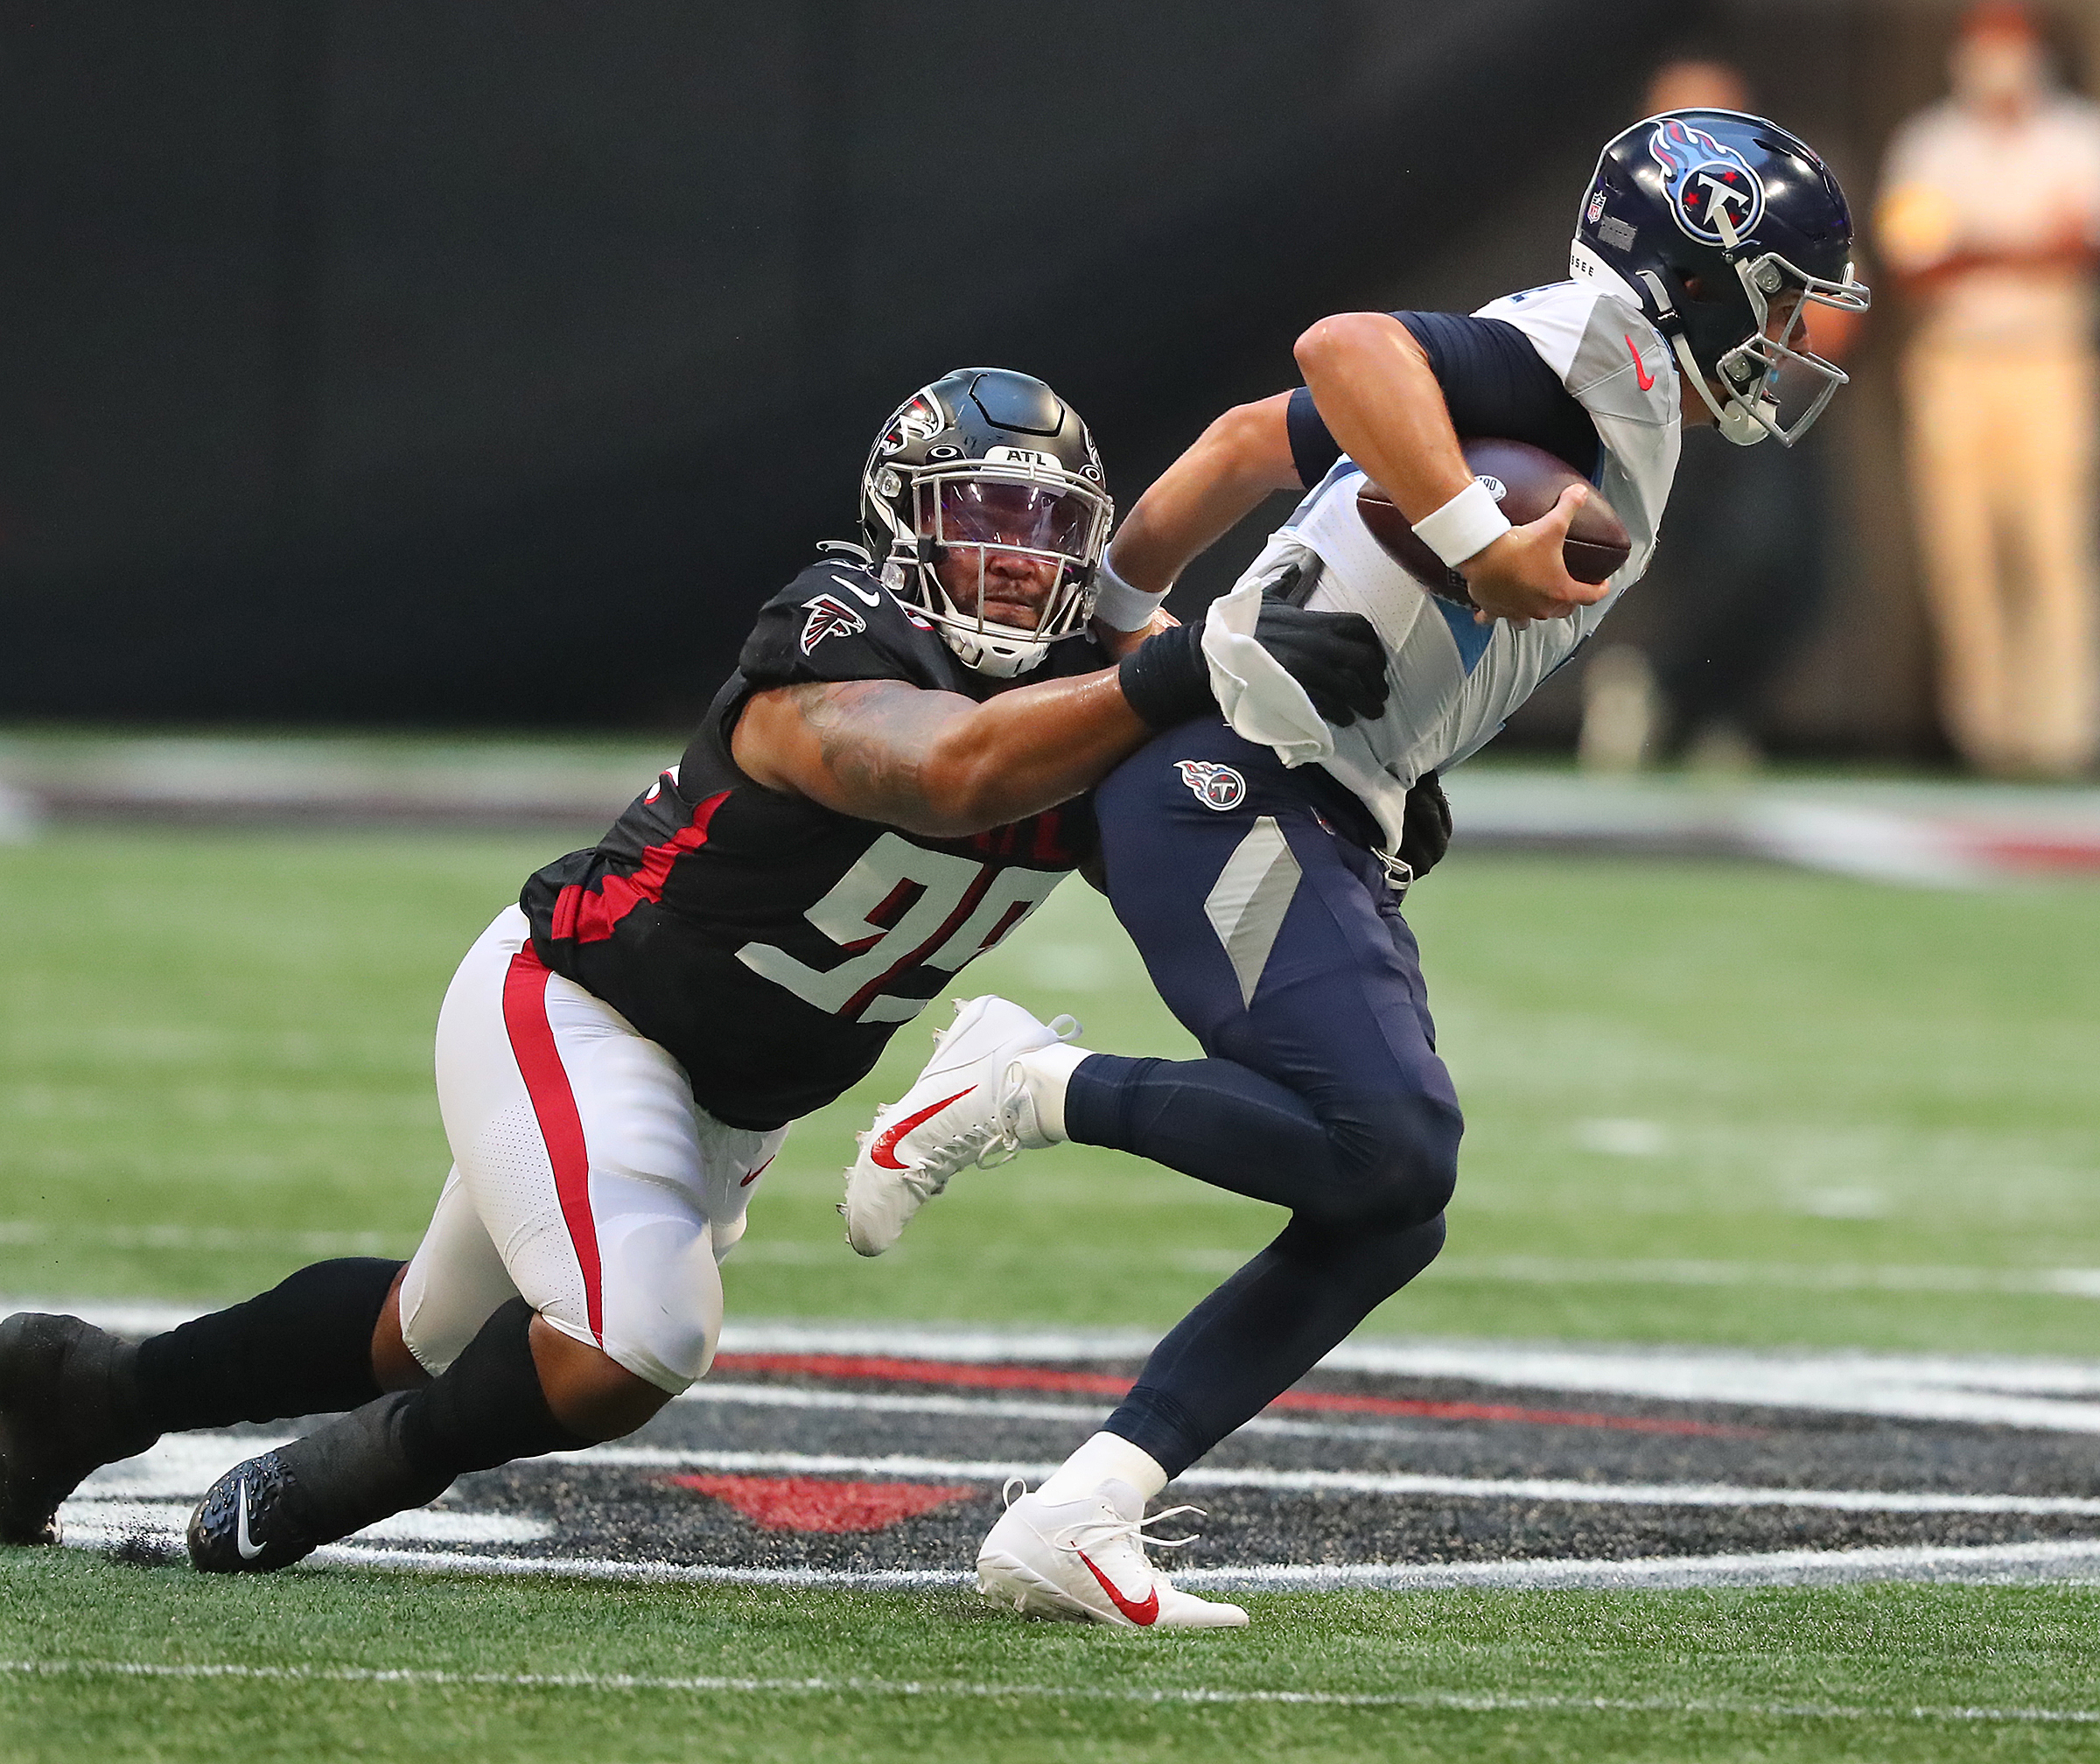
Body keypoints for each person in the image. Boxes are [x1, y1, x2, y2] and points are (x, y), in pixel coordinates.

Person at [0, 368, 1388, 1573]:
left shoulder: (1107, 691)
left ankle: (89, 1389)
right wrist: (1204, 667)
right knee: (636, 1337)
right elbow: (950, 771)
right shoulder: (841, 628)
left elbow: (1191, 842)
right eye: (985, 517)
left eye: (1050, 528)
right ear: (906, 525)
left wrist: (1339, 795)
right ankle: (348, 1478)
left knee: (417, 1330)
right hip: (584, 1005)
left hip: (737, 1091)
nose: (1022, 558)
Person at [847, 113, 1869, 1628]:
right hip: (1233, 778)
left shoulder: (1610, 391)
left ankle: (1088, 1503)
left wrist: (1137, 620)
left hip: (1306, 783)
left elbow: (1250, 446)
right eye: (1778, 297)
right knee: (1388, 1143)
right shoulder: (1609, 348)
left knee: (1393, 1200)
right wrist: (1466, 538)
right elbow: (1342, 350)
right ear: (1699, 270)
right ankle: (1016, 1082)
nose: (1789, 337)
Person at [1580, 56, 1866, 773]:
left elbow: (1833, 307)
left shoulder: (1777, 199)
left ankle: (1706, 704)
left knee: (1793, 569)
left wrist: (1779, 337)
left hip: (1761, 394)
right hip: (1674, 395)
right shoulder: (1634, 214)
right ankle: (1674, 695)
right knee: (1703, 559)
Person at [1878, 0, 2100, 777]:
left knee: (2053, 546)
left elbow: (2081, 253)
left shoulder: (2080, 138)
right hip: (1954, 364)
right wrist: (2030, 248)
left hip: (2049, 363)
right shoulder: (1930, 144)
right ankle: (1987, 738)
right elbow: (1912, 261)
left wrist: (1976, 247)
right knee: (1962, 551)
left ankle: (2062, 738)